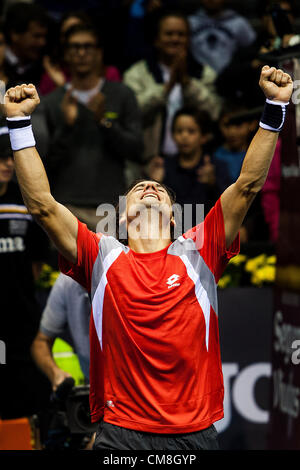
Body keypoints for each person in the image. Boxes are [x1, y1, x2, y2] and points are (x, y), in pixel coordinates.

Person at [3, 65, 293, 449]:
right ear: (122, 216)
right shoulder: (101, 256)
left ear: (174, 216)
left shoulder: (199, 251)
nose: (149, 188)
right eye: (140, 187)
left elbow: (248, 186)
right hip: (121, 435)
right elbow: (42, 206)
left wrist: (274, 106)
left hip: (192, 436)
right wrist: (19, 123)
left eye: (157, 187)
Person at [34, 22, 144, 230]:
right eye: (75, 47)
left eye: (88, 47)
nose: (81, 53)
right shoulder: (51, 102)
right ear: (66, 54)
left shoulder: (121, 95)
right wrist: (67, 126)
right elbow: (44, 164)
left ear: (99, 53)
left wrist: (104, 122)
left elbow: (137, 149)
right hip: (65, 205)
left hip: (110, 205)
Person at [123, 10, 221, 164]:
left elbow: (214, 113)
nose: (175, 39)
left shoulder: (204, 73)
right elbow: (132, 114)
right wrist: (166, 88)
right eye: (169, 34)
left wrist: (187, 84)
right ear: (156, 39)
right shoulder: (137, 74)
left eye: (181, 34)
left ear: (188, 39)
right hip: (149, 163)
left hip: (195, 165)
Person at [0, 125, 51, 420]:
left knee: (28, 395)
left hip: (22, 315)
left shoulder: (23, 206)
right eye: (2, 158)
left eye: (11, 158)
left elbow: (36, 262)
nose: (9, 164)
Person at [147, 106, 229, 225]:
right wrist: (154, 184)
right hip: (172, 234)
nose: (184, 136)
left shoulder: (215, 167)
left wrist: (213, 184)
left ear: (204, 137)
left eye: (191, 131)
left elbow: (227, 208)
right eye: (179, 131)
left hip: (206, 234)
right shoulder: (164, 166)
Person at [31, 273, 91, 388]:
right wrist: (54, 373)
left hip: (130, 383)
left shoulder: (126, 269)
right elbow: (40, 343)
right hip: (95, 388)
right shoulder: (66, 280)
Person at [188, 0, 256, 74]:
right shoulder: (190, 22)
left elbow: (252, 51)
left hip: (230, 76)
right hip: (195, 77)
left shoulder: (239, 23)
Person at [3, 2, 49, 88]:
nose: (43, 42)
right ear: (15, 34)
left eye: (44, 36)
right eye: (36, 36)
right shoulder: (2, 65)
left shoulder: (45, 68)